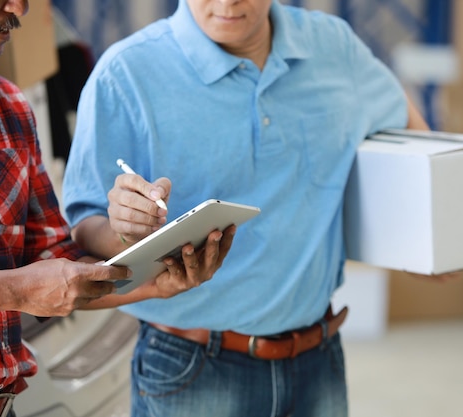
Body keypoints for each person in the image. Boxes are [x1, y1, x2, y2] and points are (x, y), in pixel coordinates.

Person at [62, 0, 430, 416]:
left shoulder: (332, 46)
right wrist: (126, 229)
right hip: (193, 369)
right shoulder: (126, 73)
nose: (225, 2)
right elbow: (83, 228)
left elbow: (400, 116)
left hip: (318, 359)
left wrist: (437, 225)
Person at [0, 1, 234, 416]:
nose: (19, 6)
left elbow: (54, 267)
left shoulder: (8, 106)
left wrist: (158, 284)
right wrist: (17, 288)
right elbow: (32, 284)